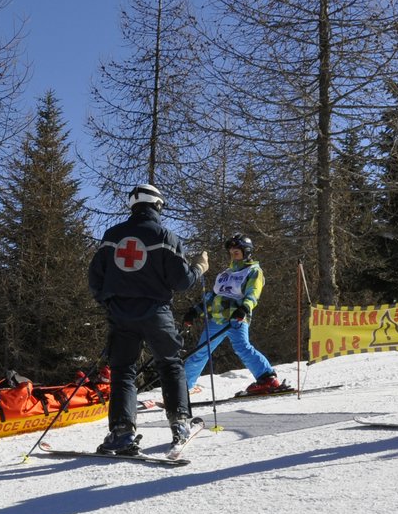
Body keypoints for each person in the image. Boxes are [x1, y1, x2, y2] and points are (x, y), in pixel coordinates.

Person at [87, 183, 208, 454]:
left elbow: (95, 277)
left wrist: (109, 302)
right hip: (156, 313)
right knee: (170, 366)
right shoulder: (165, 236)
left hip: (120, 314)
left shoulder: (111, 235)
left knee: (122, 372)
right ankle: (180, 424)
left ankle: (121, 433)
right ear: (158, 206)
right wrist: (199, 267)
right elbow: (182, 281)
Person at [181, 234, 282, 396]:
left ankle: (267, 378)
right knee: (201, 350)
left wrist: (244, 309)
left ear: (246, 252)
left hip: (236, 318)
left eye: (237, 252)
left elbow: (253, 294)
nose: (233, 255)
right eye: (231, 252)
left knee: (242, 347)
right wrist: (195, 312)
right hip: (217, 319)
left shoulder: (253, 271)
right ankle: (183, 386)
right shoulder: (224, 274)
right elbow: (212, 297)